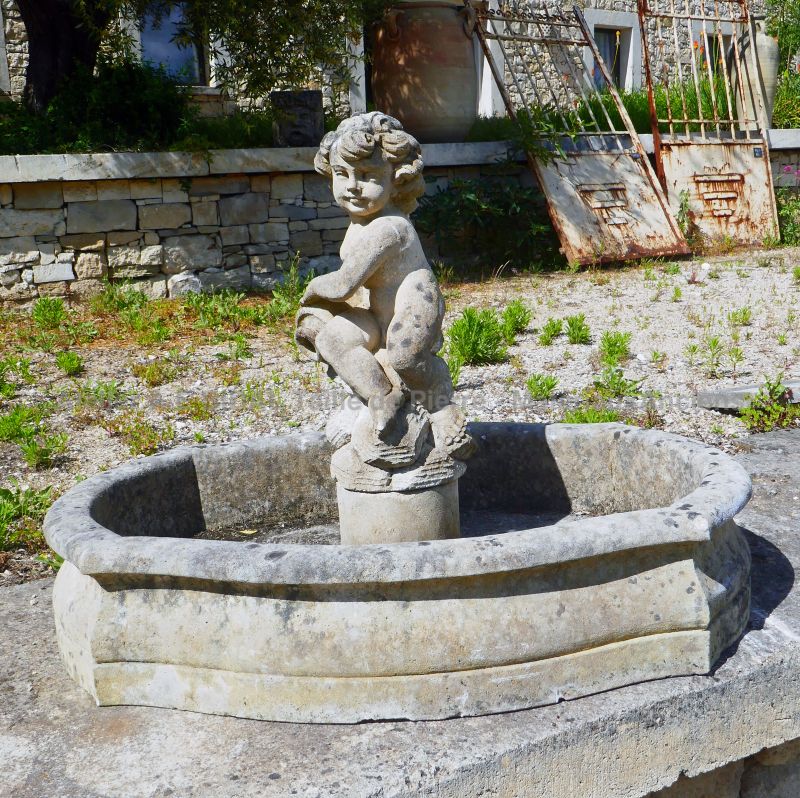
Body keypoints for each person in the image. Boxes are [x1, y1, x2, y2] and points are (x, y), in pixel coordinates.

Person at [296, 112, 456, 435]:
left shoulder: (389, 228)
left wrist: (309, 291)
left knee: (404, 356)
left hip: (413, 299)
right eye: (342, 174)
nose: (352, 187)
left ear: (396, 177)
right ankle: (380, 397)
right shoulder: (359, 223)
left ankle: (441, 405)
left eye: (367, 175)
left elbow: (343, 284)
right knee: (332, 339)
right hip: (376, 310)